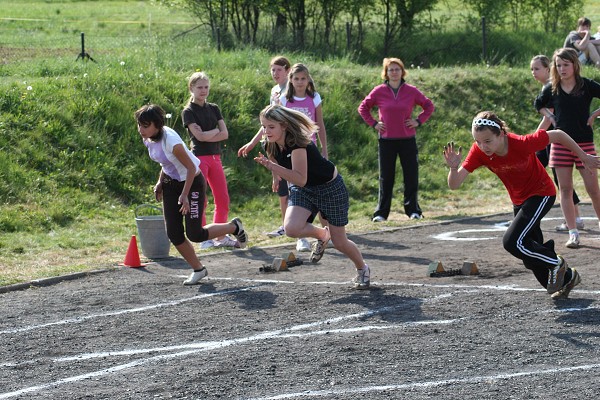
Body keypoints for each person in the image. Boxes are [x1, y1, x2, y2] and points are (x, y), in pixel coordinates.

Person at [443, 111, 600, 299]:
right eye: (478, 141)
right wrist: (453, 168)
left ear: (501, 133)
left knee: (512, 242)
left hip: (541, 193)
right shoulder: (479, 151)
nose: (482, 146)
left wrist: (583, 156)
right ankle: (567, 278)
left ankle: (555, 262)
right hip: (519, 200)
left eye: (487, 141)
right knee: (528, 252)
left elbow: (558, 134)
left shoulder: (522, 143)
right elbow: (455, 184)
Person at [254, 105, 370, 289]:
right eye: (264, 126)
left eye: (271, 127)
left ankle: (362, 269)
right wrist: (275, 176)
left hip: (329, 188)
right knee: (291, 228)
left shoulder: (298, 144)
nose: (266, 131)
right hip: (306, 190)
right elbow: (273, 157)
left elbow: (300, 179)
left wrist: (273, 168)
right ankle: (323, 235)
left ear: (283, 125)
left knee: (340, 242)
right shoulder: (269, 142)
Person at [134, 104, 248, 285]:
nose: (141, 130)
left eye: (145, 125)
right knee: (174, 233)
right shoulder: (148, 138)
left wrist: (185, 194)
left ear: (157, 124)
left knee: (195, 234)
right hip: (171, 184)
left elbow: (191, 167)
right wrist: (160, 182)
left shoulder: (170, 140)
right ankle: (198, 269)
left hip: (192, 182)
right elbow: (166, 164)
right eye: (139, 125)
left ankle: (233, 227)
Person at [535, 48, 600, 248]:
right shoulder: (552, 88)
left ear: (575, 65)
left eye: (566, 64)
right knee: (565, 189)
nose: (562, 69)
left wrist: (595, 114)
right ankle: (573, 233)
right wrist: (550, 117)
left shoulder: (586, 85)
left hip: (584, 142)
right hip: (560, 144)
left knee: (593, 189)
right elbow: (538, 104)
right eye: (559, 65)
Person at [358, 57, 434, 222]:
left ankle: (413, 210)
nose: (394, 72)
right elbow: (363, 107)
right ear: (386, 73)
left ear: (402, 71)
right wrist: (373, 123)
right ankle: (381, 213)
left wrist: (418, 121)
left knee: (411, 176)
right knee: (386, 178)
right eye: (390, 70)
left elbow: (428, 106)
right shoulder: (378, 91)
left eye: (397, 69)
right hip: (386, 141)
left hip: (407, 140)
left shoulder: (411, 91)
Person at [237, 56, 299, 245]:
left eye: (279, 70)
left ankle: (299, 226)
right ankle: (285, 225)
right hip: (274, 144)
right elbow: (268, 122)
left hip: (288, 143)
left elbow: (287, 120)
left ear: (288, 71)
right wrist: (253, 142)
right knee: (281, 186)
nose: (275, 73)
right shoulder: (274, 91)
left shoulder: (291, 91)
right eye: (272, 70)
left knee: (294, 185)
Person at [182, 72, 237, 249]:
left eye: (206, 87)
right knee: (201, 199)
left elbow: (225, 133)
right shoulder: (188, 112)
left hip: (215, 157)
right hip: (199, 158)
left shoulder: (213, 108)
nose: (203, 90)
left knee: (222, 198)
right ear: (192, 88)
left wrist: (209, 134)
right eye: (199, 87)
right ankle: (203, 237)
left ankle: (220, 236)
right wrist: (213, 132)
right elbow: (199, 137)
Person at [530, 55, 584, 231]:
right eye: (532, 69)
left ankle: (527, 214)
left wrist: (534, 139)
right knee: (558, 179)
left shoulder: (553, 87)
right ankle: (575, 218)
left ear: (548, 69)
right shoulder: (549, 88)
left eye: (537, 68)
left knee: (536, 172)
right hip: (551, 138)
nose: (533, 72)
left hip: (553, 138)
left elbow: (549, 119)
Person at [280, 62, 329, 252]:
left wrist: (324, 150)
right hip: (292, 151)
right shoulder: (285, 100)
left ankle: (328, 230)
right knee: (297, 191)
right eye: (296, 79)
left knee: (317, 188)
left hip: (311, 150)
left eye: (303, 79)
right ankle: (301, 237)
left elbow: (320, 125)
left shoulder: (314, 98)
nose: (300, 82)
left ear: (308, 80)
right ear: (290, 80)